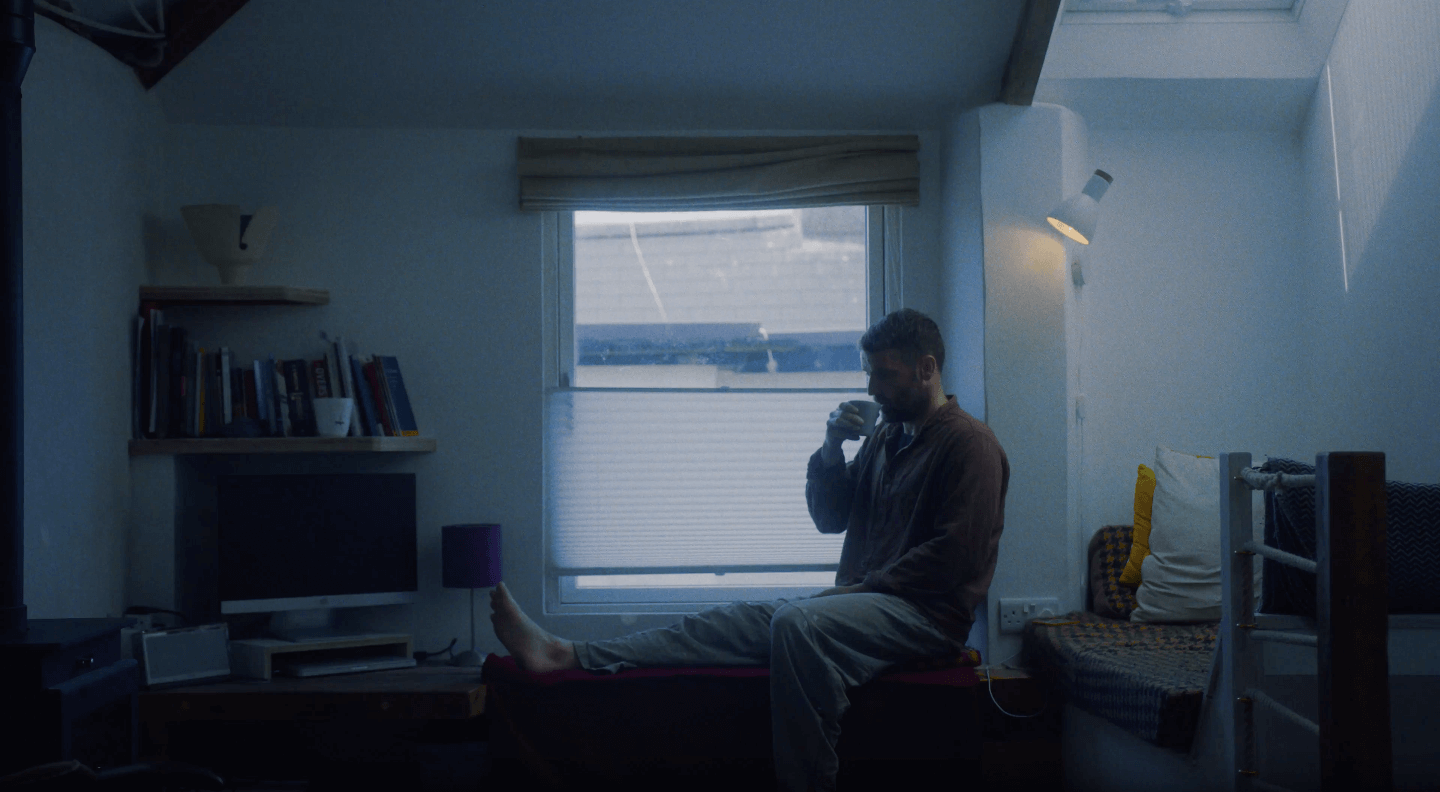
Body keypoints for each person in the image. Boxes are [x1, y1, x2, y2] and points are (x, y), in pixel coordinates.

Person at [489, 308, 1010, 792]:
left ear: (926, 369)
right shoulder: (885, 439)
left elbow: (954, 557)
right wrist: (831, 447)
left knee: (795, 623)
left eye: (884, 375)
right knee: (729, 622)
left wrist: (854, 592)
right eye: (868, 374)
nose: (871, 388)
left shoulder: (970, 444)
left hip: (926, 618)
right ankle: (566, 654)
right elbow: (830, 518)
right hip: (864, 603)